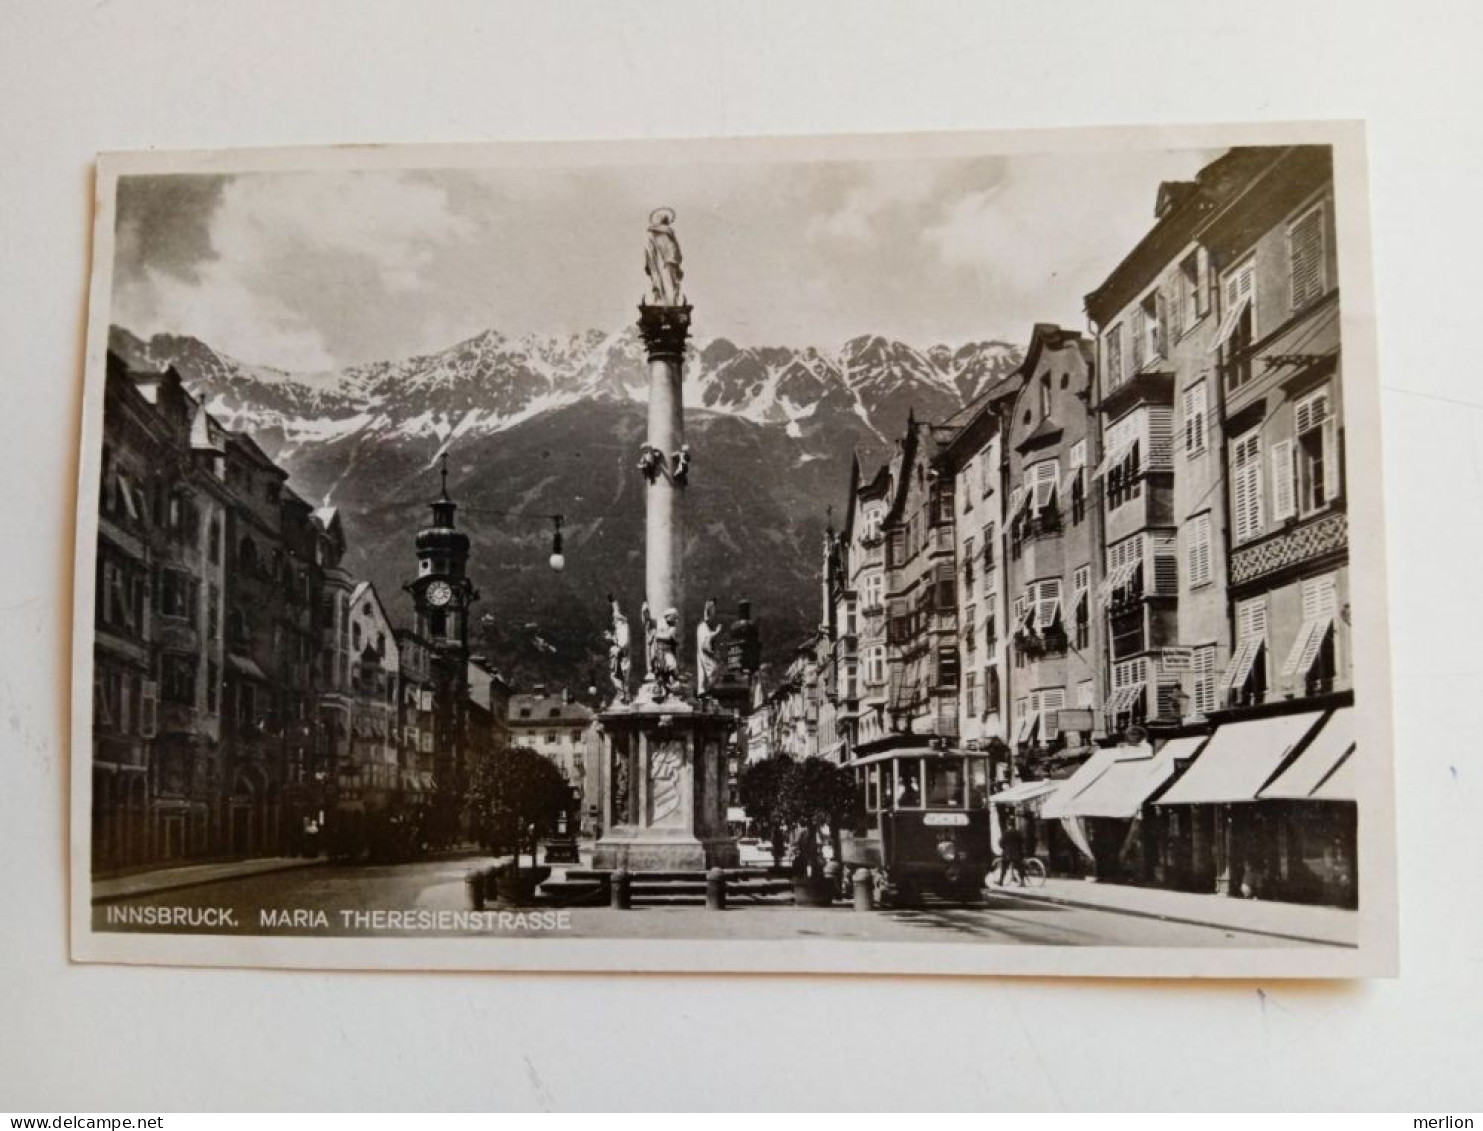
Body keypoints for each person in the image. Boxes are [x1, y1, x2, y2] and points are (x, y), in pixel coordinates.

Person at [997, 814, 1027, 886]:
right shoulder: (1017, 832)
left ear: (1008, 824)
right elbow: (1022, 841)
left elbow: (1001, 843)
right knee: (1019, 867)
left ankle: (1001, 881)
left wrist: (1004, 848)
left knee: (1004, 867)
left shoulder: (1006, 833)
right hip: (1016, 853)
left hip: (1007, 853)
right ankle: (1022, 882)